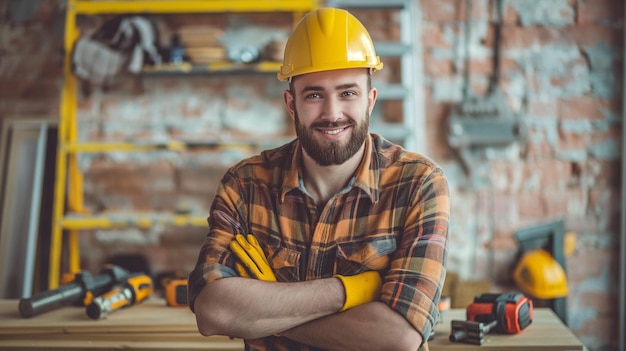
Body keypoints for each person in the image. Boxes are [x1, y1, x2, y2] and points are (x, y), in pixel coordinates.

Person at [188, 7, 449, 351]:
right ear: (291, 104)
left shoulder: (418, 184)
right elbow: (213, 311)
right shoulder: (246, 185)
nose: (332, 113)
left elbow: (399, 336)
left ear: (370, 100)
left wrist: (264, 313)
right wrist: (352, 291)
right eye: (314, 95)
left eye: (347, 93)